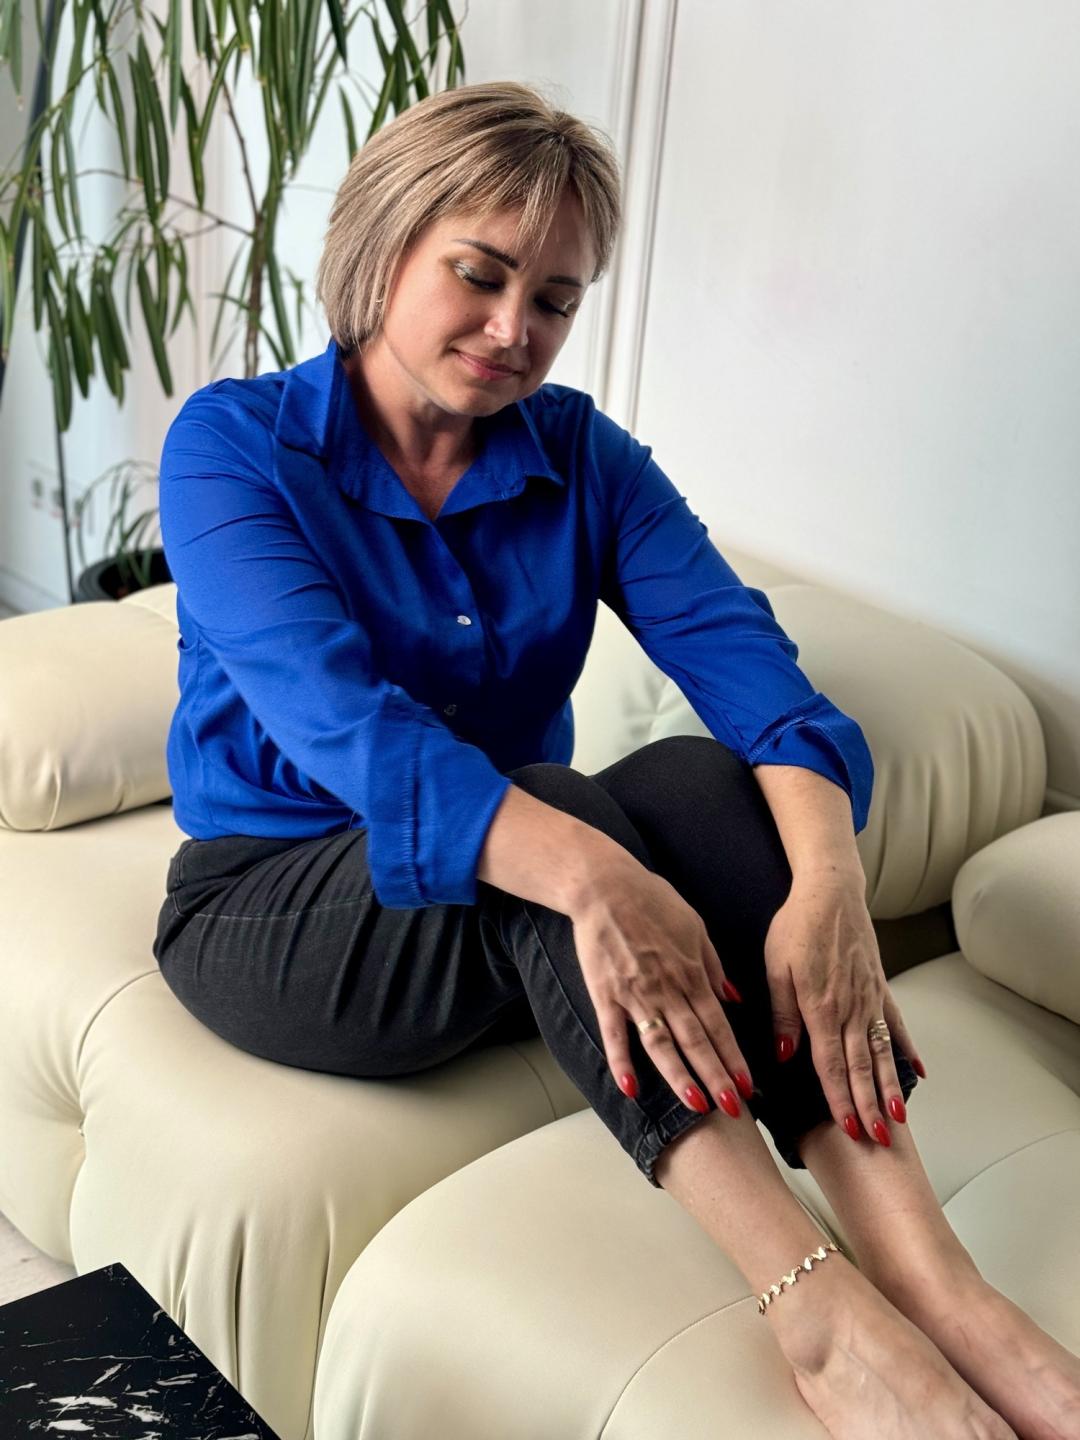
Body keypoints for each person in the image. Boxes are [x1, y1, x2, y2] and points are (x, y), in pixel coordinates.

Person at [151, 80, 1079, 1440]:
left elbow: (756, 677)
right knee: (556, 817)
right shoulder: (232, 446)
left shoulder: (581, 456)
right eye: (480, 275)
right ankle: (817, 1313)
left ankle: (940, 1282)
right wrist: (595, 876)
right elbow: (351, 728)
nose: (514, 330)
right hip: (274, 908)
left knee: (697, 783)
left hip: (514, 912)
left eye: (556, 299)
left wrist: (832, 892)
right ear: (382, 247)